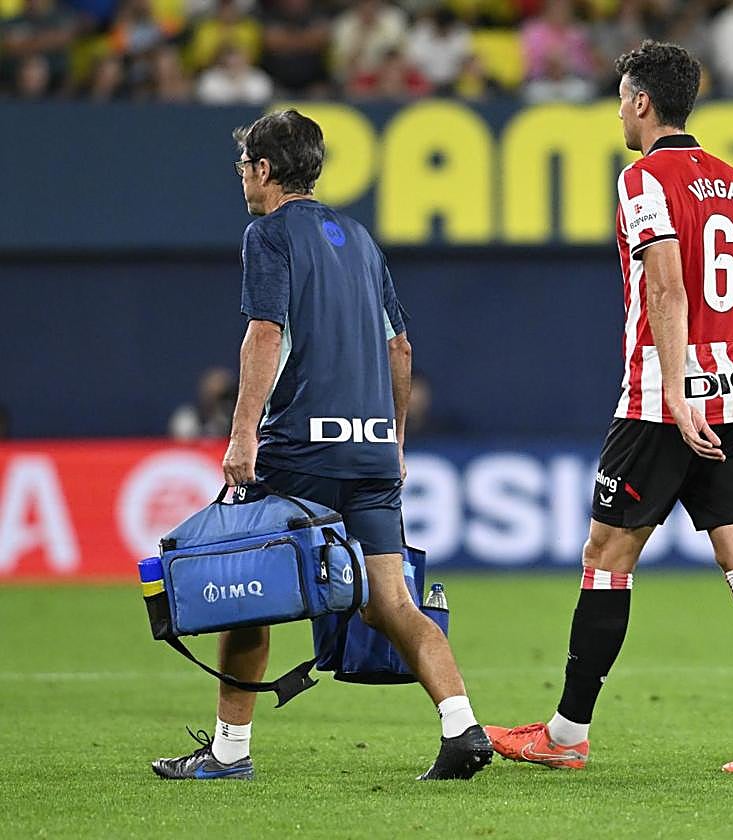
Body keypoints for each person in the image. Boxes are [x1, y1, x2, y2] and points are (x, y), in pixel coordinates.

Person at [486, 40, 733, 775]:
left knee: (606, 557)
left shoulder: (642, 180)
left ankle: (566, 735)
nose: (619, 109)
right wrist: (718, 370)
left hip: (663, 403)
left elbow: (665, 286)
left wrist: (675, 386)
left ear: (640, 101)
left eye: (621, 96)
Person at [151, 109, 492, 782]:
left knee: (247, 588)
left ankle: (229, 750)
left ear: (267, 170)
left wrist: (243, 428)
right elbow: (401, 346)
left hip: (298, 450)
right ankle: (463, 729)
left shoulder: (268, 234)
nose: (242, 176)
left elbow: (265, 334)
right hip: (369, 453)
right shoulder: (361, 240)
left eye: (245, 164)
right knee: (393, 601)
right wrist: (392, 438)